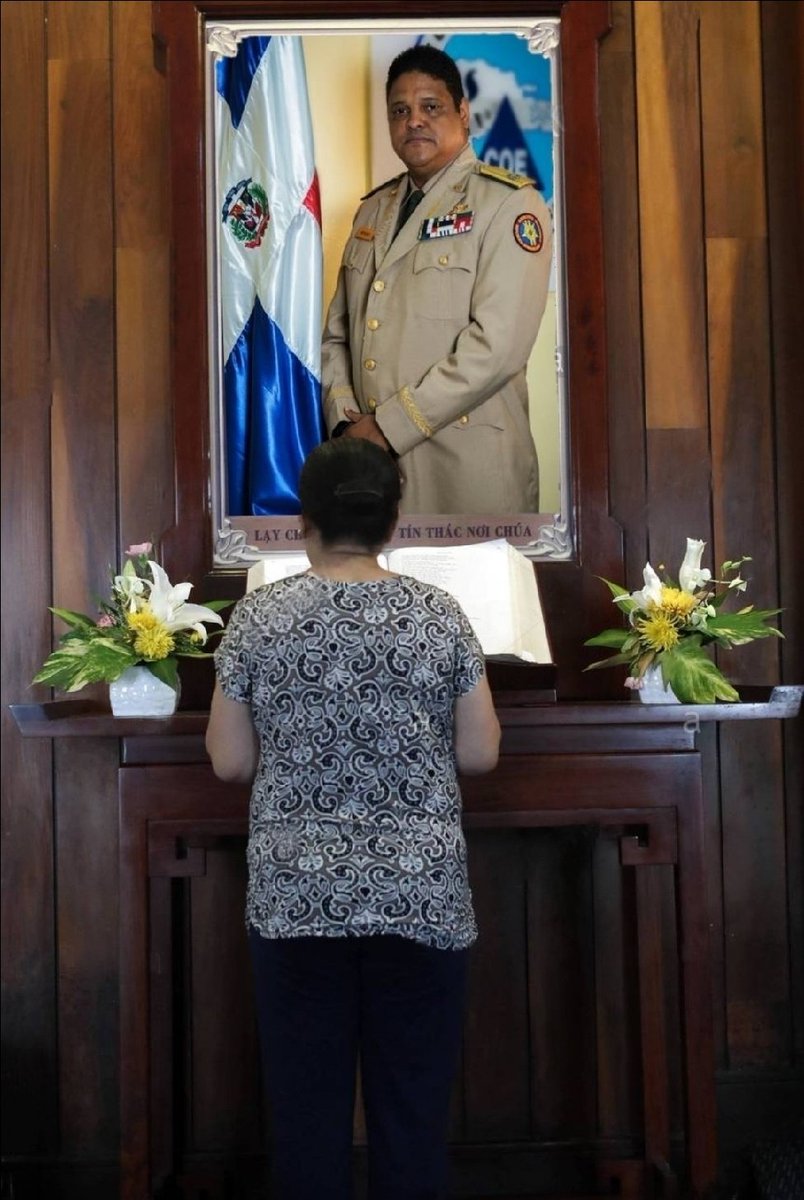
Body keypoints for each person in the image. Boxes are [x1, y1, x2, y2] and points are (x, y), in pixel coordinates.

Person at [205, 438, 500, 1200]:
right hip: (420, 897)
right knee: (412, 1117)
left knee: (307, 1122)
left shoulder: (259, 616)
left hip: (296, 900)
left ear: (305, 520)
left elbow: (230, 763)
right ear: (392, 520)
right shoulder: (439, 615)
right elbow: (480, 754)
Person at [321, 44, 553, 515]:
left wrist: (388, 426)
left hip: (466, 474)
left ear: (463, 113)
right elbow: (338, 335)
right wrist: (349, 426)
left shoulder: (509, 205)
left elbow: (497, 347)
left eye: (431, 107)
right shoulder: (372, 210)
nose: (414, 121)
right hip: (371, 472)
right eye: (400, 111)